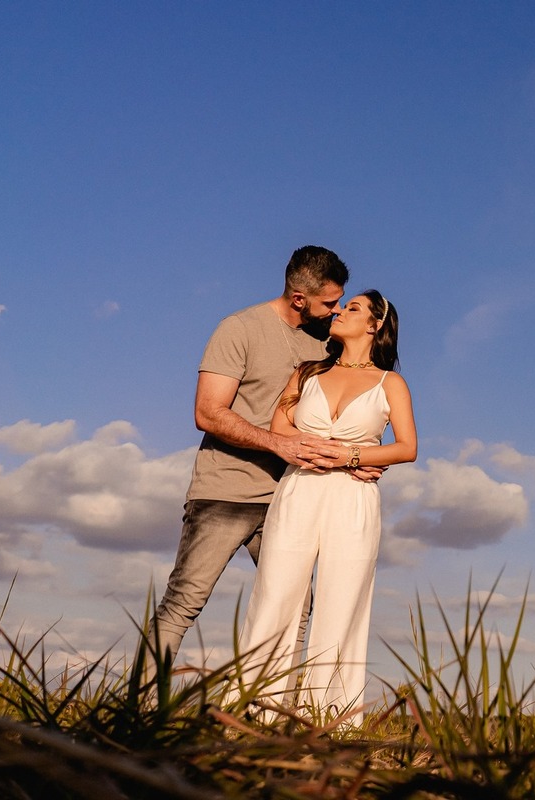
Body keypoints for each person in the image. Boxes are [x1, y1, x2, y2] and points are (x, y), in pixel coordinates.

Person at [151, 245, 357, 666]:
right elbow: (208, 413)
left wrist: (357, 460)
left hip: (289, 499)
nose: (336, 311)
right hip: (224, 492)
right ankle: (139, 712)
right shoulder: (240, 328)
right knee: (184, 602)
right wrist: (277, 443)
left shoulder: (325, 344)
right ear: (299, 298)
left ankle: (269, 712)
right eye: (330, 302)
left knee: (295, 609)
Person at [233, 289, 416, 718]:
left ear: (374, 325)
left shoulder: (392, 384)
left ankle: (329, 719)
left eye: (352, 308)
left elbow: (406, 447)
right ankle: (255, 713)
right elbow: (280, 430)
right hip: (299, 490)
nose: (339, 311)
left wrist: (354, 457)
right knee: (275, 595)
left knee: (342, 601)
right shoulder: (306, 372)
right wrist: (327, 451)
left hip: (353, 499)